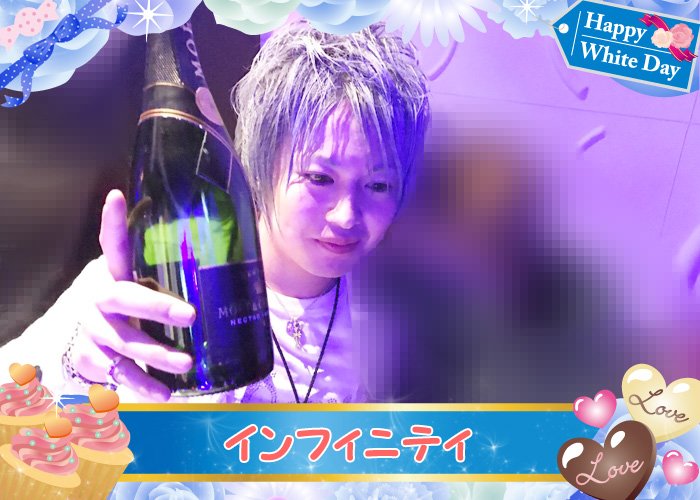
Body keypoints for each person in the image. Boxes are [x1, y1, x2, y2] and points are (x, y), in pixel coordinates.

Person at [0, 19, 431, 403]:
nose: (346, 216)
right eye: (320, 178)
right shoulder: (140, 291)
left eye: (378, 185)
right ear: (261, 159)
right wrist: (74, 367)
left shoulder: (400, 316)